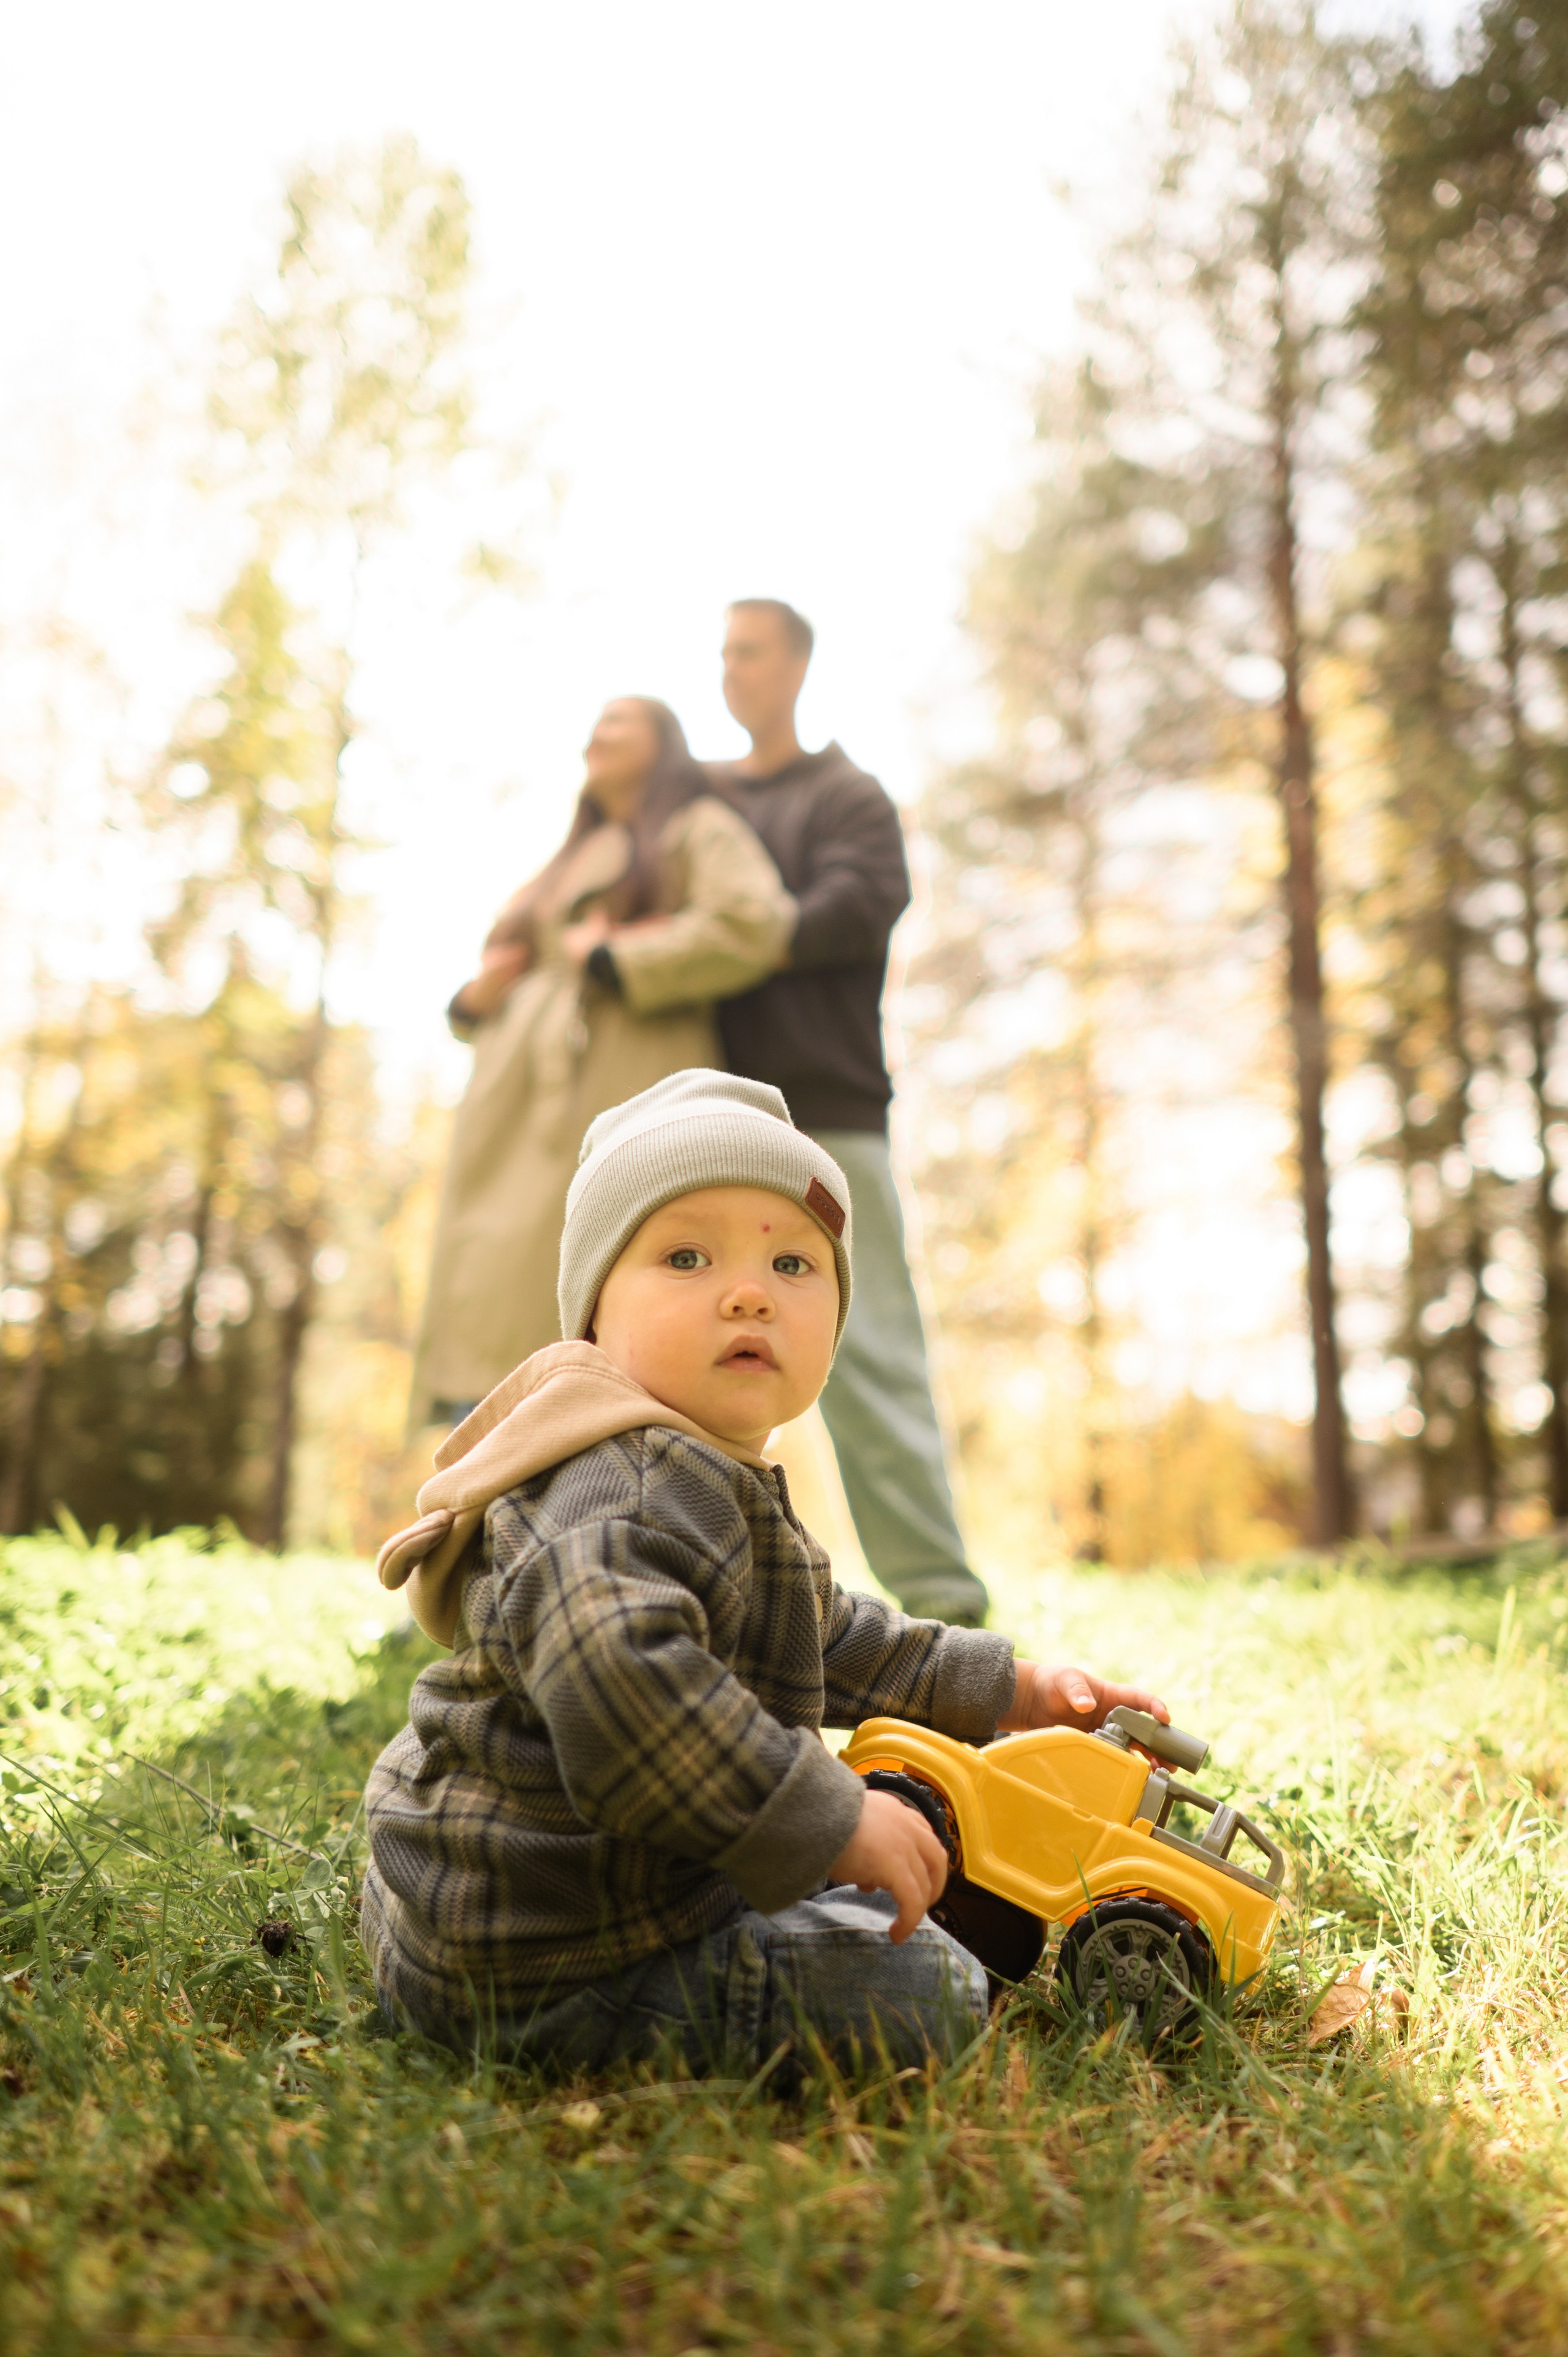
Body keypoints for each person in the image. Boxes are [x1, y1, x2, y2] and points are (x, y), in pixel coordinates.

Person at [364, 1070, 1167, 2074]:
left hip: (488, 1879)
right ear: (595, 1318)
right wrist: (822, 1816)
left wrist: (1011, 1690)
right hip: (551, 1950)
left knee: (882, 1856)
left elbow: (830, 1637)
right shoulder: (623, 1488)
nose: (748, 1291)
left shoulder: (701, 1469)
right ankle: (483, 1988)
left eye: (794, 1262)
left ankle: (411, 1915)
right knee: (927, 1988)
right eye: (686, 1255)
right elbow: (625, 1694)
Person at [709, 600, 989, 1624]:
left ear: (795, 666)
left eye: (748, 651)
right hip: (706, 1127)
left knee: (868, 1355)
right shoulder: (700, 799)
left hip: (828, 1115)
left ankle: (947, 1609)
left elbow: (858, 906)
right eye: (722, 654)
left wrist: (740, 929)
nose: (731, 670)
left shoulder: (848, 796)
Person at [409, 697, 794, 1429]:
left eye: (622, 721)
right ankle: (491, 1478)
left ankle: (615, 1470)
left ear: (665, 744)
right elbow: (507, 956)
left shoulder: (695, 828)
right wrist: (478, 995)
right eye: (595, 723)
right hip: (514, 1098)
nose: (600, 732)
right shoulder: (565, 858)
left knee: (613, 1264)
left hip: (625, 1069)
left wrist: (618, 957)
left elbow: (751, 922)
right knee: (496, 1272)